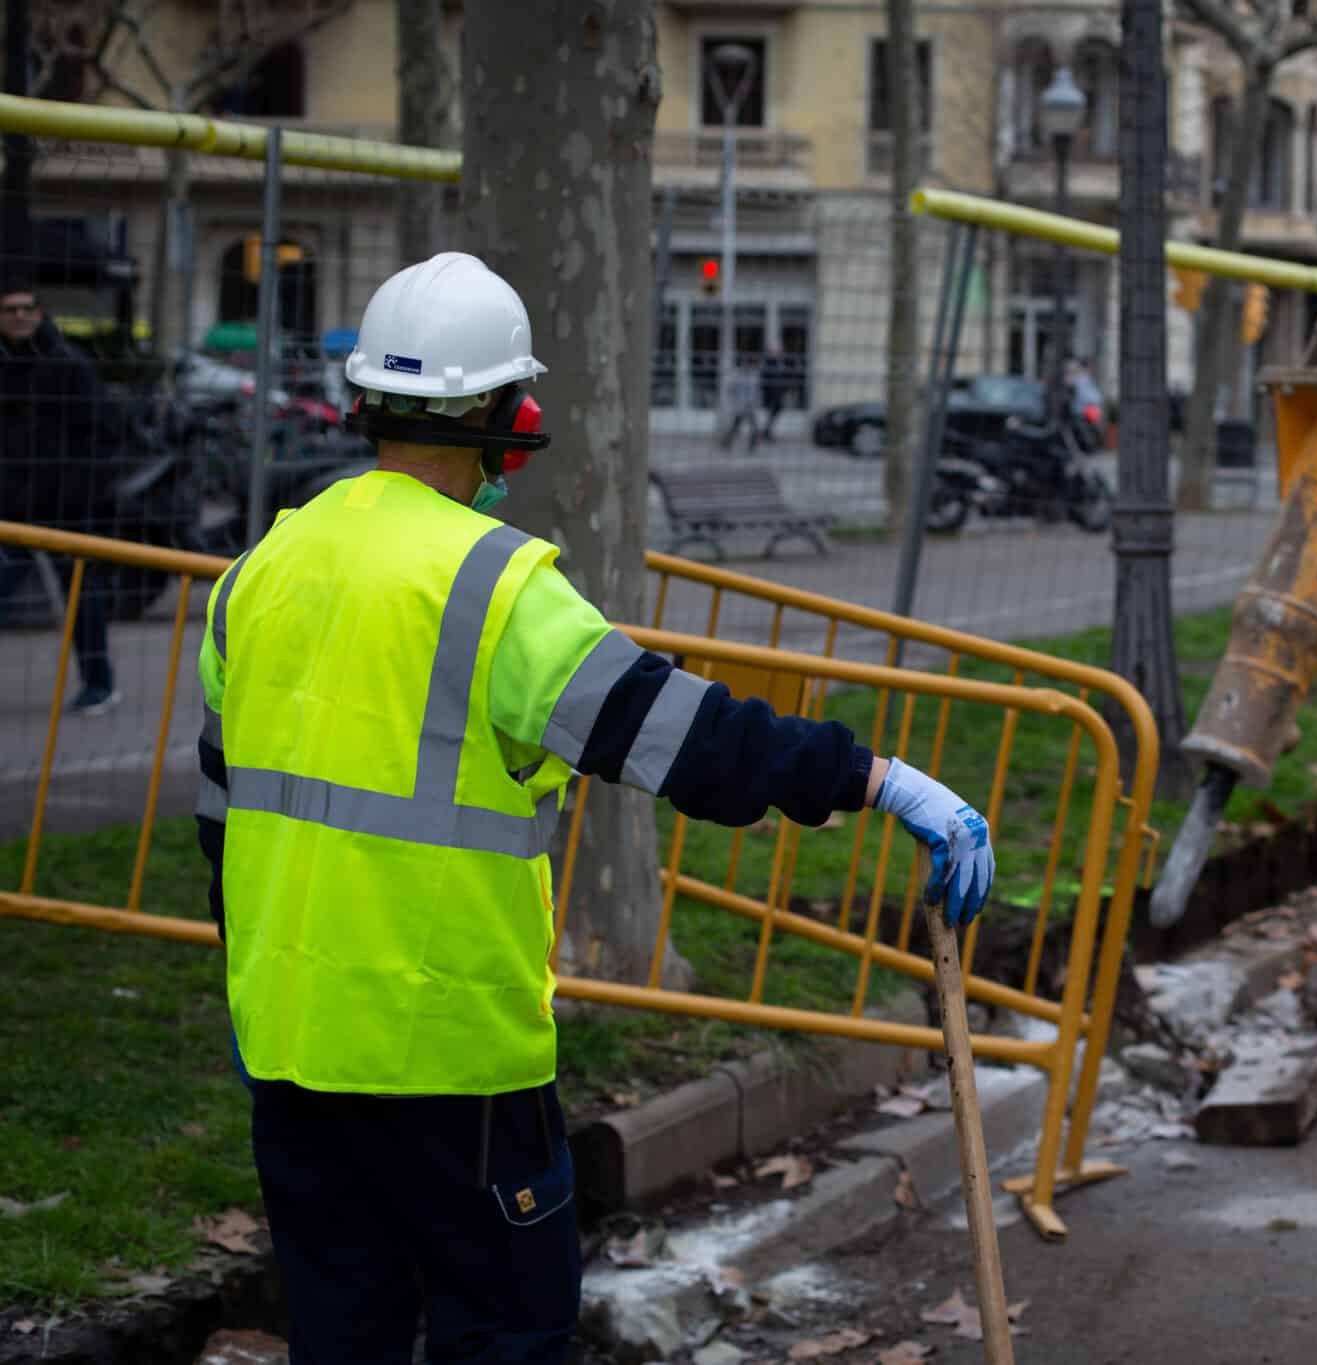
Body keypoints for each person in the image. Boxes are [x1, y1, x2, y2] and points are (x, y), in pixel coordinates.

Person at [192, 251, 995, 1364]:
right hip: (449, 1060)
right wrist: (879, 781)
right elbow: (688, 743)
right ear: (500, 416)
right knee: (506, 1334)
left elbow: (218, 822)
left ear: (365, 399)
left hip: (287, 1049)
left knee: (344, 1333)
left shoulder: (259, 573)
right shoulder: (495, 587)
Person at [0, 278, 119, 712]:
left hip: (66, 505)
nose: (19, 316)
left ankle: (100, 685)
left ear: (40, 313)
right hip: (12, 506)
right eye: (10, 309)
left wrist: (80, 491)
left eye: (27, 308)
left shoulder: (68, 364)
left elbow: (103, 431)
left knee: (82, 599)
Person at [721, 354, 762, 452]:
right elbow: (730, 388)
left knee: (753, 427)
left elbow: (756, 390)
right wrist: (735, 399)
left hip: (750, 406)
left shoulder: (754, 375)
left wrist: (756, 401)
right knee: (736, 426)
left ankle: (752, 445)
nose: (749, 366)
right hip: (741, 405)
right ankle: (726, 442)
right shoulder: (738, 375)